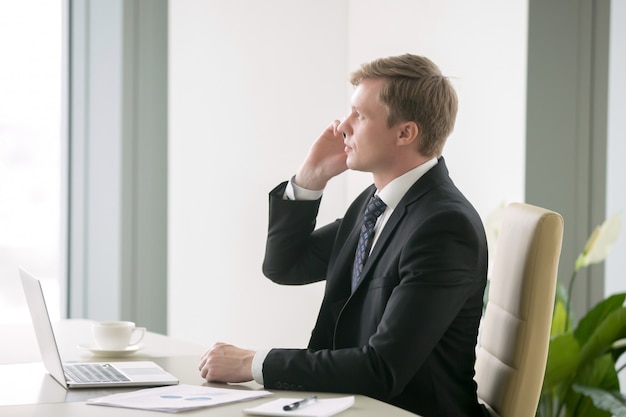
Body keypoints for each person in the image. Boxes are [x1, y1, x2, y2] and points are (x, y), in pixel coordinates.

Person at [199, 53, 489, 417]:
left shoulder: (444, 227)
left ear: (405, 133)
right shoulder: (374, 204)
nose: (342, 127)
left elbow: (383, 368)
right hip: (356, 406)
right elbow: (286, 266)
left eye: (360, 116)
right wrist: (310, 178)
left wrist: (252, 363)